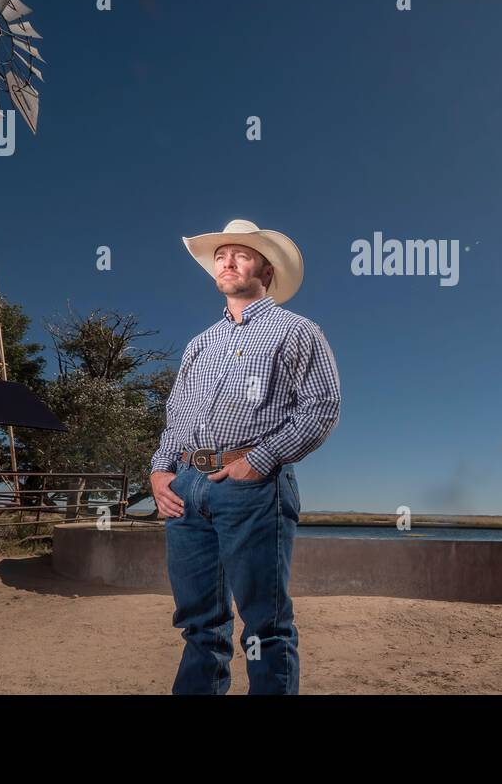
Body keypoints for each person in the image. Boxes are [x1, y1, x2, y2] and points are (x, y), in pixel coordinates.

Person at [150, 218, 341, 694]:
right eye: (220, 255)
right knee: (198, 625)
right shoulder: (200, 344)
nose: (228, 262)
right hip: (185, 486)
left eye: (241, 254)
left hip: (253, 486)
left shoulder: (297, 332)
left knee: (266, 625)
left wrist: (259, 460)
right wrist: (159, 469)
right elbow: (177, 413)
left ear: (266, 271)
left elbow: (322, 407)